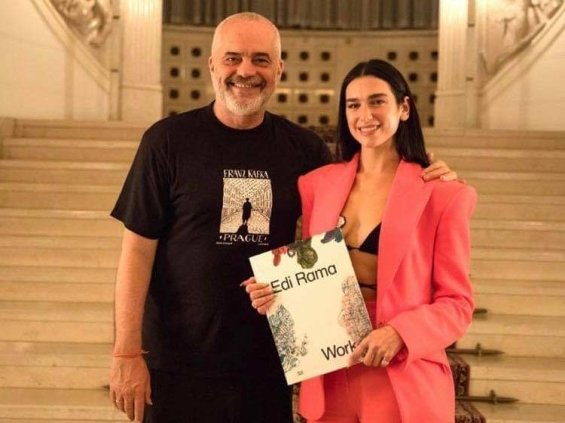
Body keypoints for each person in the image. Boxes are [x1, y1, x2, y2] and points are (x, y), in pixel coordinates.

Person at [109, 12, 458, 423]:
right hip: (177, 362)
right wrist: (127, 352)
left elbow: (353, 205)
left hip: (268, 364)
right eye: (233, 58)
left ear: (279, 69)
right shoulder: (166, 141)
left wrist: (426, 173)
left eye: (260, 59)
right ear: (212, 65)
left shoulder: (306, 152)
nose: (246, 71)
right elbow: (136, 252)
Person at [245, 59, 476, 422]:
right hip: (331, 373)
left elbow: (457, 304)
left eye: (377, 101)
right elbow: (312, 277)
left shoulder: (443, 195)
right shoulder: (317, 185)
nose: (364, 114)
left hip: (402, 374)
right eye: (353, 105)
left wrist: (401, 333)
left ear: (404, 107)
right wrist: (274, 291)